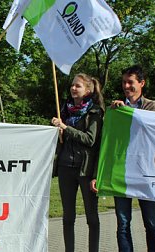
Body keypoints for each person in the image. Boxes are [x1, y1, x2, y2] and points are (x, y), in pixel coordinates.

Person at [95, 65, 155, 252]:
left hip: (147, 173)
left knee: (151, 223)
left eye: (130, 82)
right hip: (122, 173)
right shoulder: (115, 109)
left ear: (142, 83)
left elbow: (149, 126)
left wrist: (126, 112)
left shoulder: (153, 106)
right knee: (123, 224)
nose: (126, 86)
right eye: (124, 82)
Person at [50, 73, 105, 252]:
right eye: (72, 85)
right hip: (66, 167)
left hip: (86, 169)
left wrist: (66, 128)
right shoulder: (64, 110)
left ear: (88, 90)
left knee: (91, 217)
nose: (73, 88)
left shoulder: (95, 112)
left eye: (78, 86)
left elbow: (90, 139)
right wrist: (56, 132)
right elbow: (61, 139)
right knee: (68, 217)